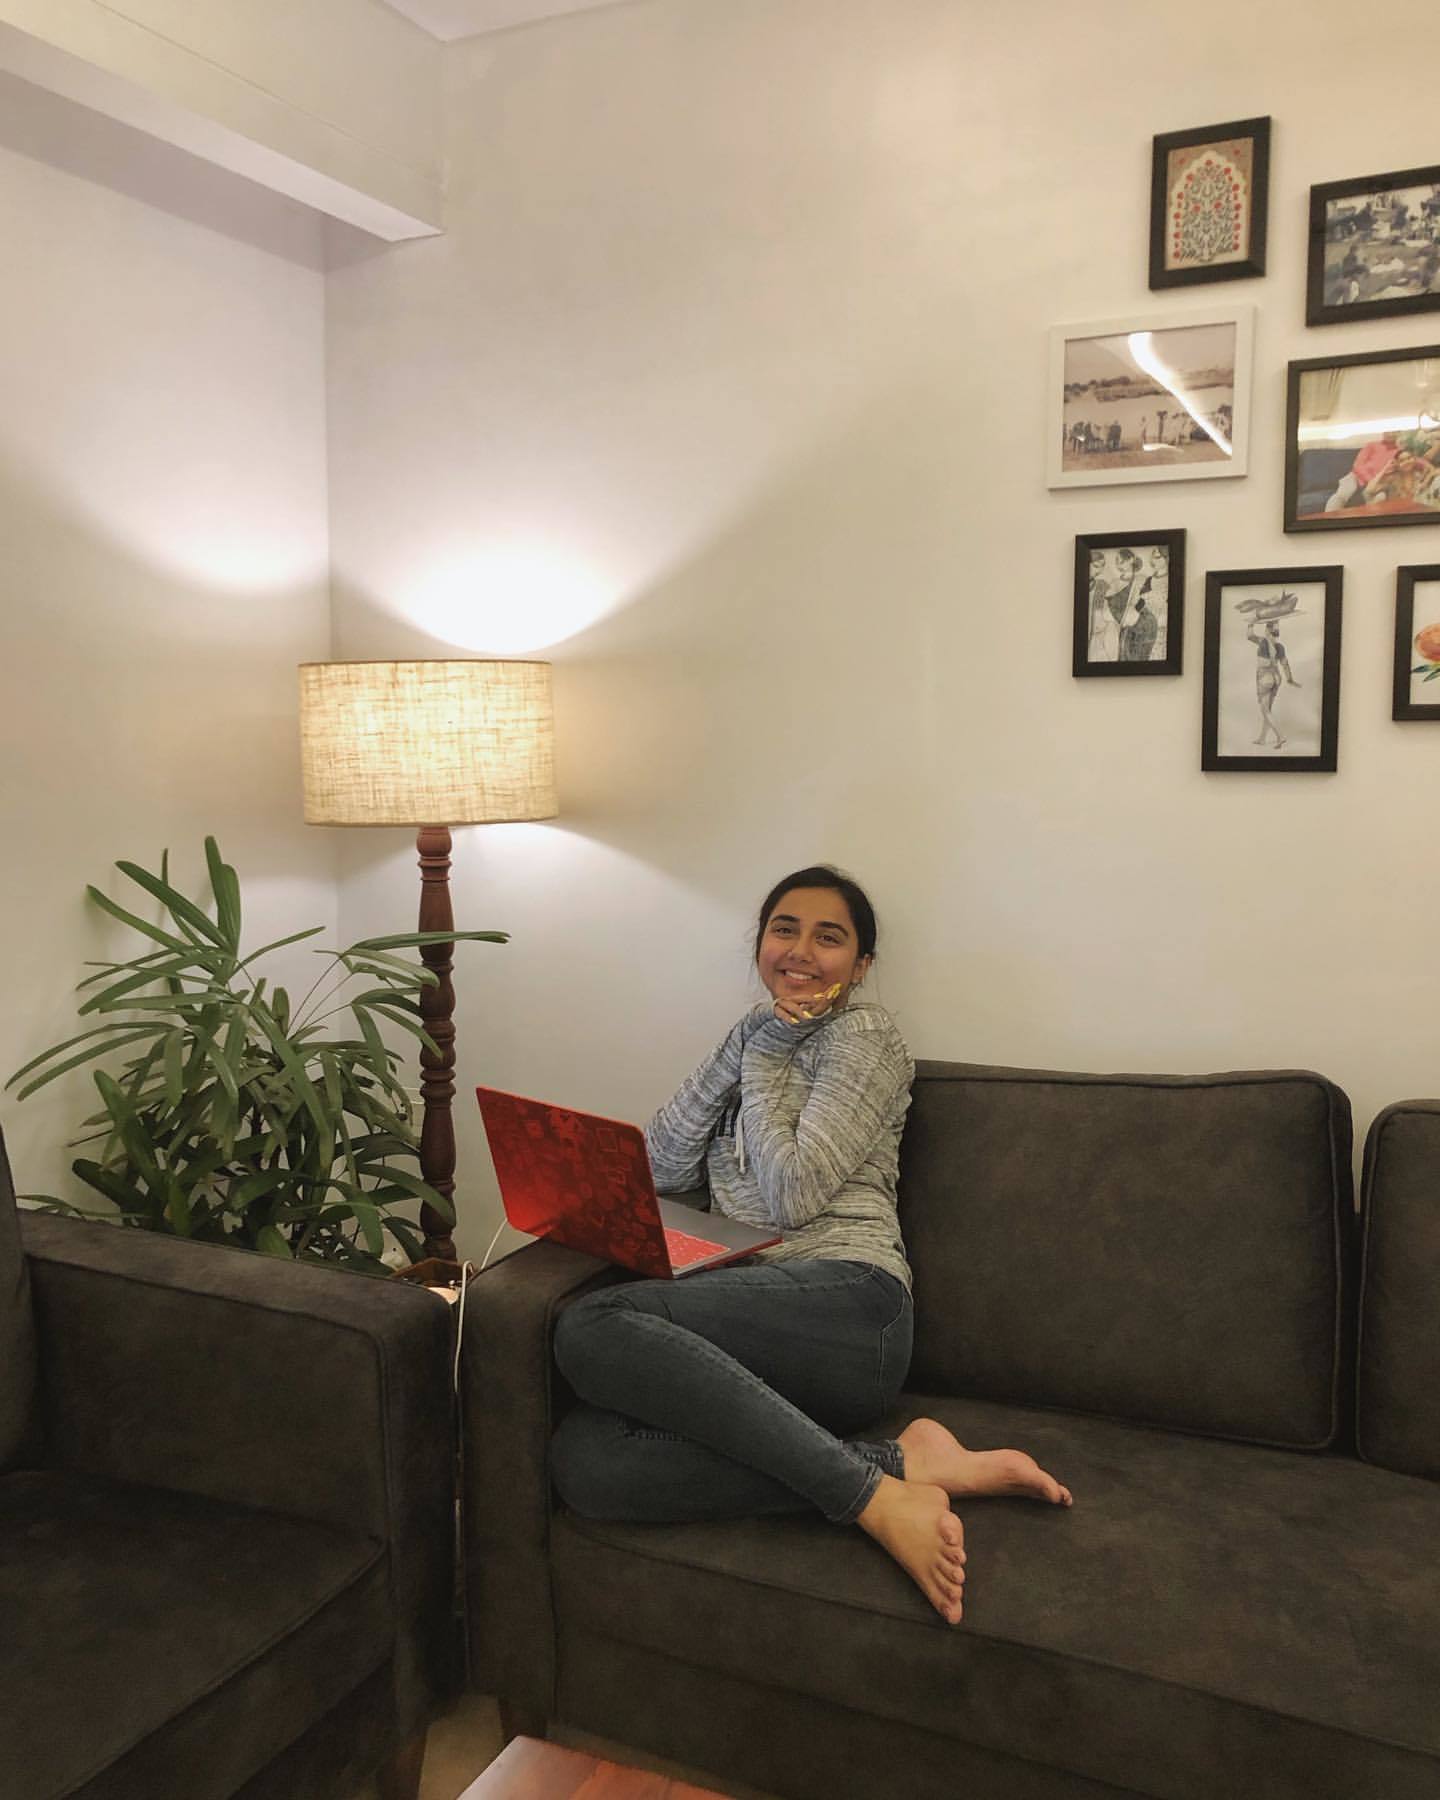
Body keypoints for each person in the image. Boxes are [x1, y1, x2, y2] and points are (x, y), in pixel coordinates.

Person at [549, 866, 1071, 1627]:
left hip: (851, 1308)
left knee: (591, 1323)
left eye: (829, 937)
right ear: (760, 945)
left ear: (860, 966)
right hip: (761, 1319)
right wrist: (745, 1042)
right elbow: (657, 1170)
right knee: (588, 1460)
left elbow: (793, 1194)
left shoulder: (866, 1037)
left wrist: (764, 1054)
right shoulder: (752, 1036)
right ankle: (902, 1465)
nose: (800, 950)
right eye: (783, 929)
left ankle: (870, 1499)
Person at [1249, 620, 1299, 747]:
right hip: (1276, 677)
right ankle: (1262, 738)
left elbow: (1249, 636)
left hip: (1265, 677)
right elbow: (1285, 664)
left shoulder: (1263, 641)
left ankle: (1280, 736)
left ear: (1267, 630)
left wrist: (1250, 624)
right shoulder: (1280, 646)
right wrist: (1290, 679)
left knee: (1265, 711)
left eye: (1266, 628)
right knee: (1268, 710)